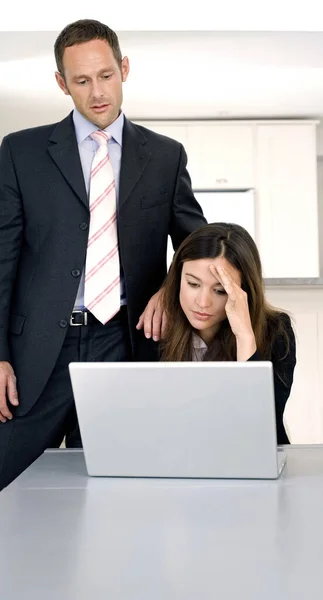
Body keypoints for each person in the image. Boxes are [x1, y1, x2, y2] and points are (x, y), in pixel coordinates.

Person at [0, 19, 206, 490]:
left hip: (125, 343)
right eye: (82, 80)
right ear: (61, 83)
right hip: (36, 354)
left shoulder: (165, 156)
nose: (97, 92)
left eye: (106, 75)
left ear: (124, 68)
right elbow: (3, 260)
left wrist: (170, 290)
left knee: (119, 490)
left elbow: (199, 244)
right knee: (11, 481)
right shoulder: (20, 152)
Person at [159, 223, 296, 444]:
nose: (203, 302)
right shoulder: (158, 327)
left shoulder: (276, 331)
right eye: (193, 284)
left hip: (251, 461)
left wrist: (244, 335)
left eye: (220, 290)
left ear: (244, 291)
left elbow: (261, 423)